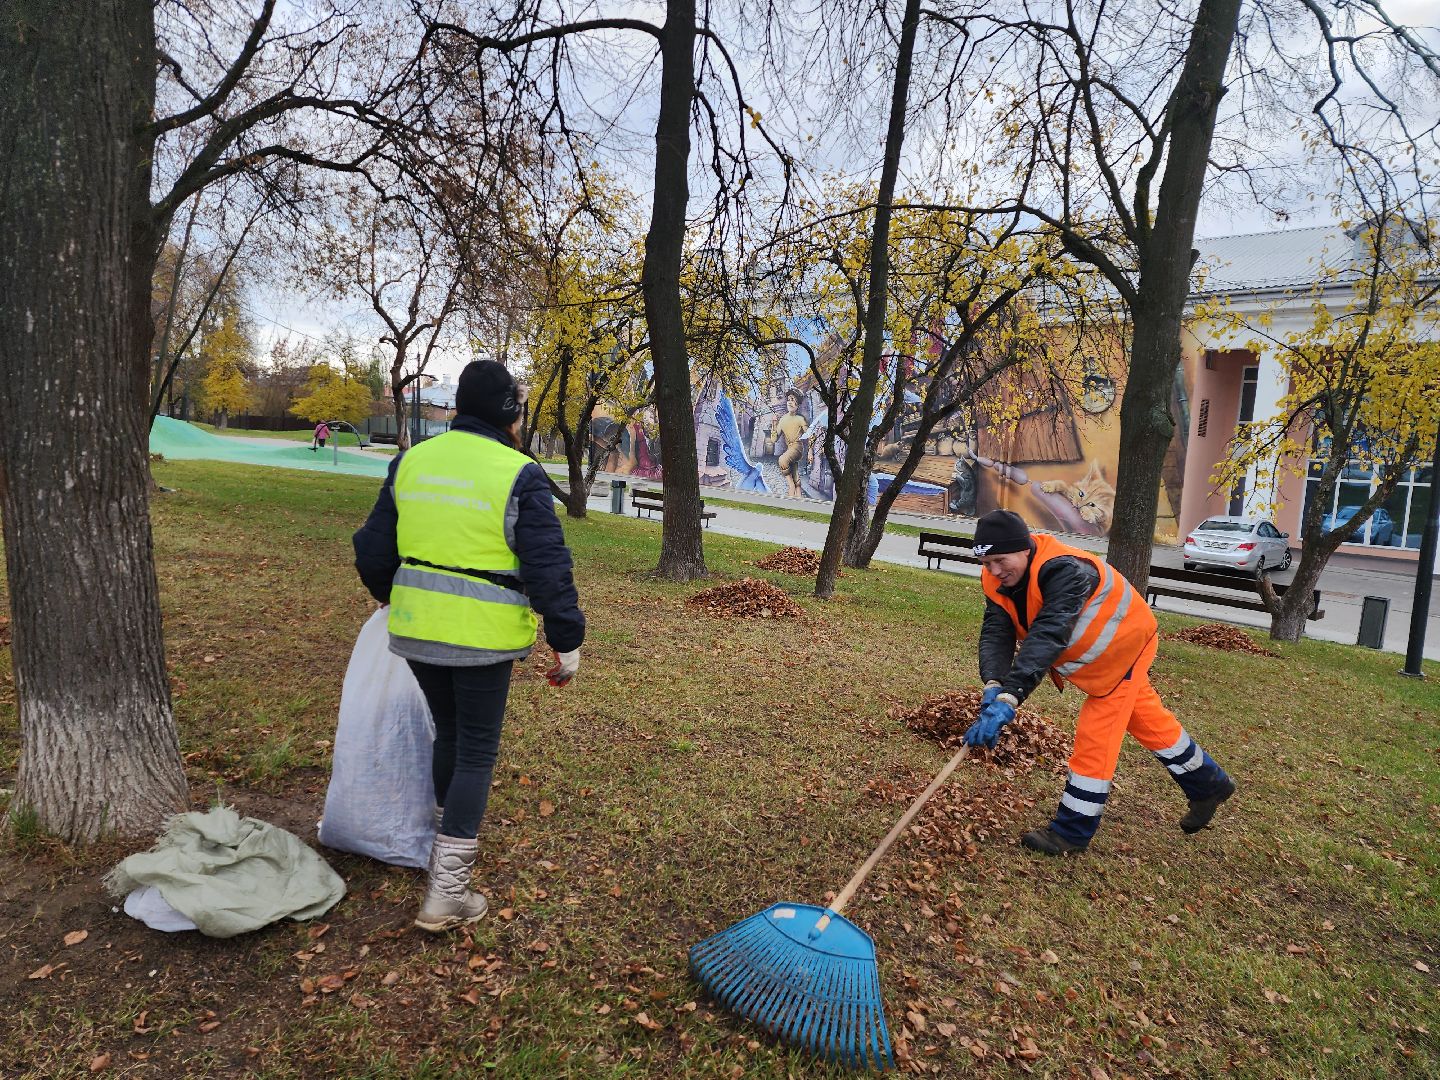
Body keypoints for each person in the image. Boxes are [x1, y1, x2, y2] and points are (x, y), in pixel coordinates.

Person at [352, 360, 585, 930]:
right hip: (481, 640)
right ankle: (447, 892)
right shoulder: (520, 474)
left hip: (416, 630)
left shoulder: (411, 461)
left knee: (450, 735)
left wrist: (391, 595)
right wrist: (567, 640)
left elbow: (372, 547)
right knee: (476, 749)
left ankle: (440, 852)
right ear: (510, 414)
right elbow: (547, 567)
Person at [963, 509, 1234, 855]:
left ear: (1026, 549)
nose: (995, 571)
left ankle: (1071, 832)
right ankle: (1208, 784)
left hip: (1126, 648)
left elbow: (1048, 635)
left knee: (1097, 734)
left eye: (1000, 560)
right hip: (1099, 663)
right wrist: (993, 684)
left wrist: (1010, 698)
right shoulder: (998, 580)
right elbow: (997, 631)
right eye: (986, 564)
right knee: (1148, 721)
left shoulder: (1066, 571)